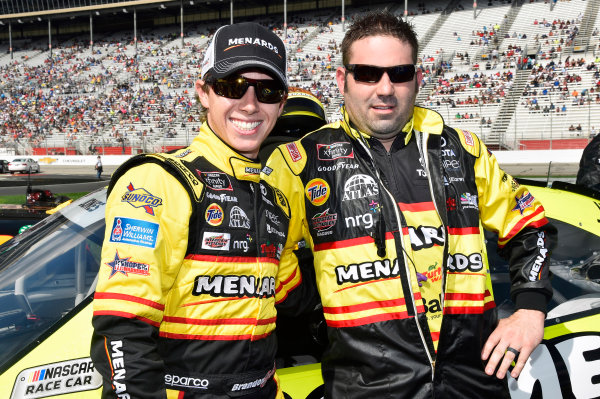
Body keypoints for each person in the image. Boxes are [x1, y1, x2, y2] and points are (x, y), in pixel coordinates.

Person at [262, 11, 556, 398]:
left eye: (398, 73)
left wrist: (531, 310)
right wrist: (317, 306)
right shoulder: (299, 163)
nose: (384, 88)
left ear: (417, 79)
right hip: (364, 387)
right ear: (342, 80)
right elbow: (261, 253)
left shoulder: (463, 150)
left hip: (474, 380)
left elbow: (531, 227)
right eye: (367, 73)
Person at [91, 22, 306, 399]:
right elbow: (122, 328)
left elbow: (289, 293)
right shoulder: (159, 181)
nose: (250, 104)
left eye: (267, 90)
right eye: (231, 87)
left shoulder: (275, 195)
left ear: (281, 104)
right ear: (204, 92)